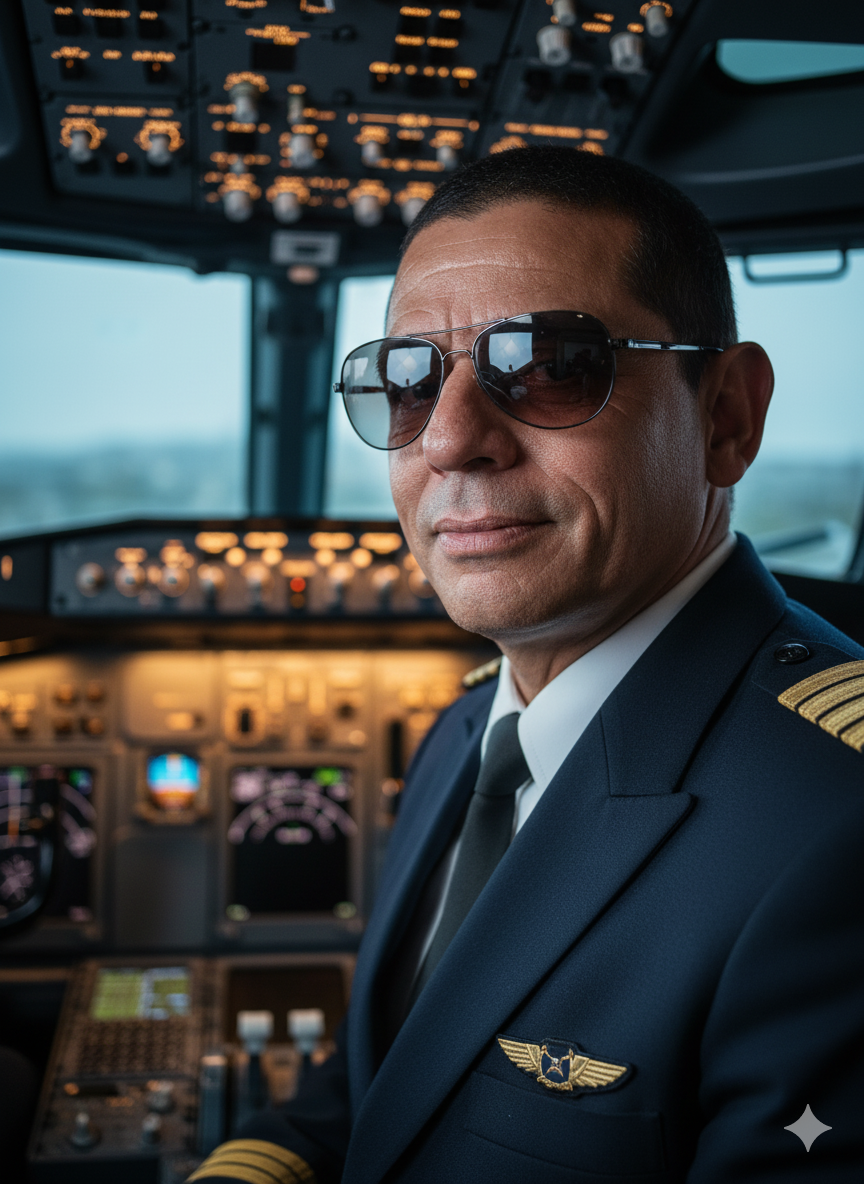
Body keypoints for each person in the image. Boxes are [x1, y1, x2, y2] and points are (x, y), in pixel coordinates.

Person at [190, 147, 864, 1184]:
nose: (451, 440)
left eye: (550, 365)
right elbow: (385, 1082)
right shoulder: (469, 731)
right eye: (405, 379)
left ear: (726, 415)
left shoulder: (836, 821)